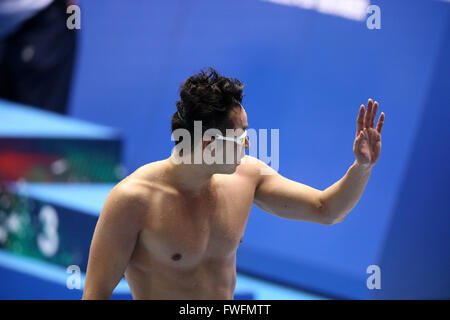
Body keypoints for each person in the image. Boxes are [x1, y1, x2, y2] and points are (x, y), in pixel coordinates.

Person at [82, 67, 385, 300]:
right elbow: (95, 295)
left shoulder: (247, 176)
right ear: (210, 143)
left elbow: (326, 210)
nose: (249, 144)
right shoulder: (133, 201)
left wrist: (362, 166)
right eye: (240, 136)